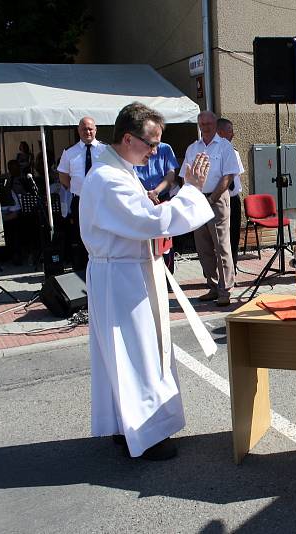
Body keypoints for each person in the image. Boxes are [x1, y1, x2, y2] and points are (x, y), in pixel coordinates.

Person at [78, 101, 214, 461]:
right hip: (122, 278)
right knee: (136, 354)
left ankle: (128, 427)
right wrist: (193, 191)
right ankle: (146, 435)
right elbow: (149, 222)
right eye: (150, 143)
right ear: (127, 137)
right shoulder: (108, 178)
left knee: (132, 353)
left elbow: (145, 217)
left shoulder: (121, 170)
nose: (155, 152)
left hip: (128, 271)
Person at [179, 111, 240, 306]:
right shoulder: (192, 148)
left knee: (221, 246)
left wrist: (212, 198)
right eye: (202, 123)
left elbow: (228, 176)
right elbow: (186, 175)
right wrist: (191, 197)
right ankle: (212, 286)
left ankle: (225, 290)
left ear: (215, 125)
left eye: (208, 123)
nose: (205, 127)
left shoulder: (224, 146)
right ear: (199, 125)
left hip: (217, 200)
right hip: (197, 200)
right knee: (203, 246)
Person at [57, 116, 107, 271]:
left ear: (95, 129)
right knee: (80, 237)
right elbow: (63, 175)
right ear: (78, 130)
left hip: (102, 201)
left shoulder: (106, 150)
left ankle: (103, 267)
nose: (88, 132)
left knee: (103, 234)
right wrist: (76, 188)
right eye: (84, 129)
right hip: (80, 200)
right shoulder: (70, 152)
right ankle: (82, 270)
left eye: (90, 128)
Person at [216, 118, 245, 269]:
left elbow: (237, 175)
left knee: (233, 236)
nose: (233, 134)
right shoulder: (213, 154)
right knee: (219, 237)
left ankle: (232, 267)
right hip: (219, 199)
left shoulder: (234, 152)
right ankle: (217, 270)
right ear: (220, 133)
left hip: (233, 199)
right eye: (230, 131)